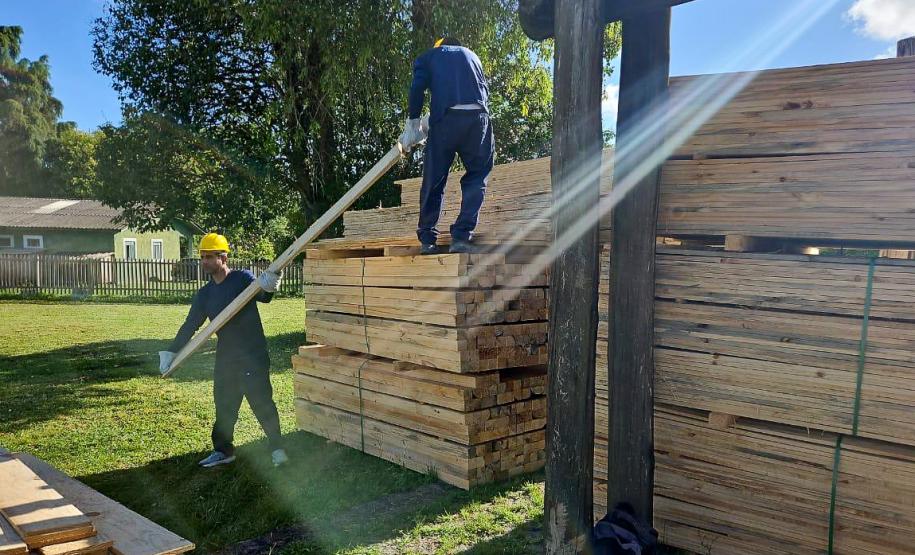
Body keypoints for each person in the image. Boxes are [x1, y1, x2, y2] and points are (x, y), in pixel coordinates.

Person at [158, 233, 288, 468]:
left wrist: (272, 280)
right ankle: (223, 450)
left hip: (253, 354)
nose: (204, 262)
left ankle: (278, 448)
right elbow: (190, 325)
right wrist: (171, 352)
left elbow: (264, 297)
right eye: (203, 257)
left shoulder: (241, 279)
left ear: (223, 257)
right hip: (227, 357)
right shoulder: (205, 294)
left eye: (209, 257)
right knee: (224, 405)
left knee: (262, 403)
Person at [399, 37, 495, 255]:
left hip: (446, 120)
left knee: (434, 179)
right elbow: (483, 93)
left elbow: (417, 88)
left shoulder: (430, 56)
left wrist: (414, 123)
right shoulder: (473, 56)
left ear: (439, 46)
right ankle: (461, 237)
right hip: (478, 119)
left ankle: (427, 240)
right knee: (477, 176)